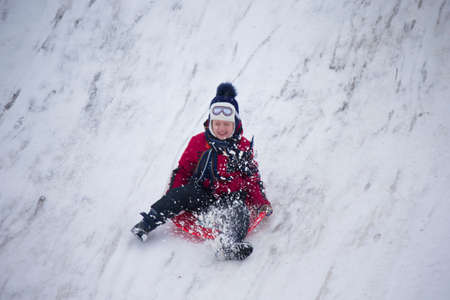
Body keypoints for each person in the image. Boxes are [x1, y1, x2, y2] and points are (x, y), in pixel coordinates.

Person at [131, 82, 273, 260]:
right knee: (183, 193)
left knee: (240, 211)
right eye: (217, 123)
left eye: (226, 124)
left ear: (235, 124)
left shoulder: (242, 147)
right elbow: (183, 171)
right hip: (202, 193)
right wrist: (175, 194)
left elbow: (252, 178)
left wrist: (261, 202)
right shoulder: (198, 143)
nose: (221, 129)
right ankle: (148, 222)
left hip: (230, 198)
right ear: (210, 122)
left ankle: (230, 244)